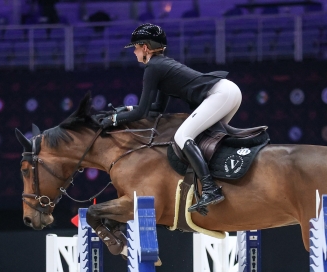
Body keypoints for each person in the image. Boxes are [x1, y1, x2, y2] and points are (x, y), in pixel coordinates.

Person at [96, 23, 241, 214]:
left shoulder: (153, 68)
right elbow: (155, 110)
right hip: (226, 92)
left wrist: (114, 119)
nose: (135, 53)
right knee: (206, 140)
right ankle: (219, 184)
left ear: (145, 48)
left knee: (182, 136)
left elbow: (141, 113)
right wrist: (127, 109)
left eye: (136, 48)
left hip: (220, 94)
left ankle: (210, 189)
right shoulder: (161, 66)